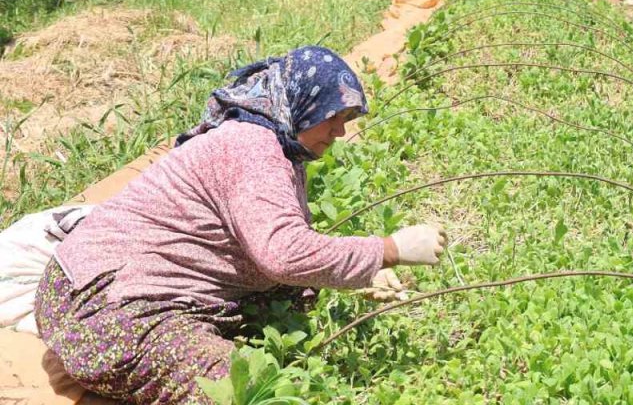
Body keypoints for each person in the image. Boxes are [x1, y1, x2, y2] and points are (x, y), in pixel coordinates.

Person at [33, 46, 446, 404]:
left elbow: (278, 250)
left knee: (292, 298)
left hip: (98, 288)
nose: (340, 131)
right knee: (241, 387)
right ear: (305, 105)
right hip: (102, 310)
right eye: (334, 116)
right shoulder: (252, 149)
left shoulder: (278, 144)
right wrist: (389, 249)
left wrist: (359, 273)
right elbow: (285, 253)